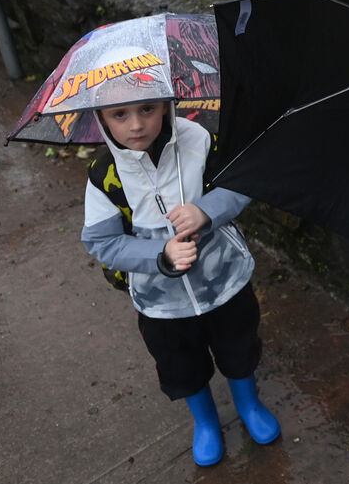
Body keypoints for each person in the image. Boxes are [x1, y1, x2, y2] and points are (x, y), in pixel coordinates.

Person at [81, 82, 279, 467]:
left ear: (167, 104)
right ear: (101, 119)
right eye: (120, 115)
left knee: (239, 347)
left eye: (148, 109)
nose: (136, 124)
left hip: (224, 282)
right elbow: (103, 243)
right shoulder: (104, 174)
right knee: (180, 365)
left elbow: (241, 182)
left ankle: (248, 403)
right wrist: (159, 253)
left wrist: (207, 210)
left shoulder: (199, 139)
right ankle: (205, 422)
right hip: (162, 304)